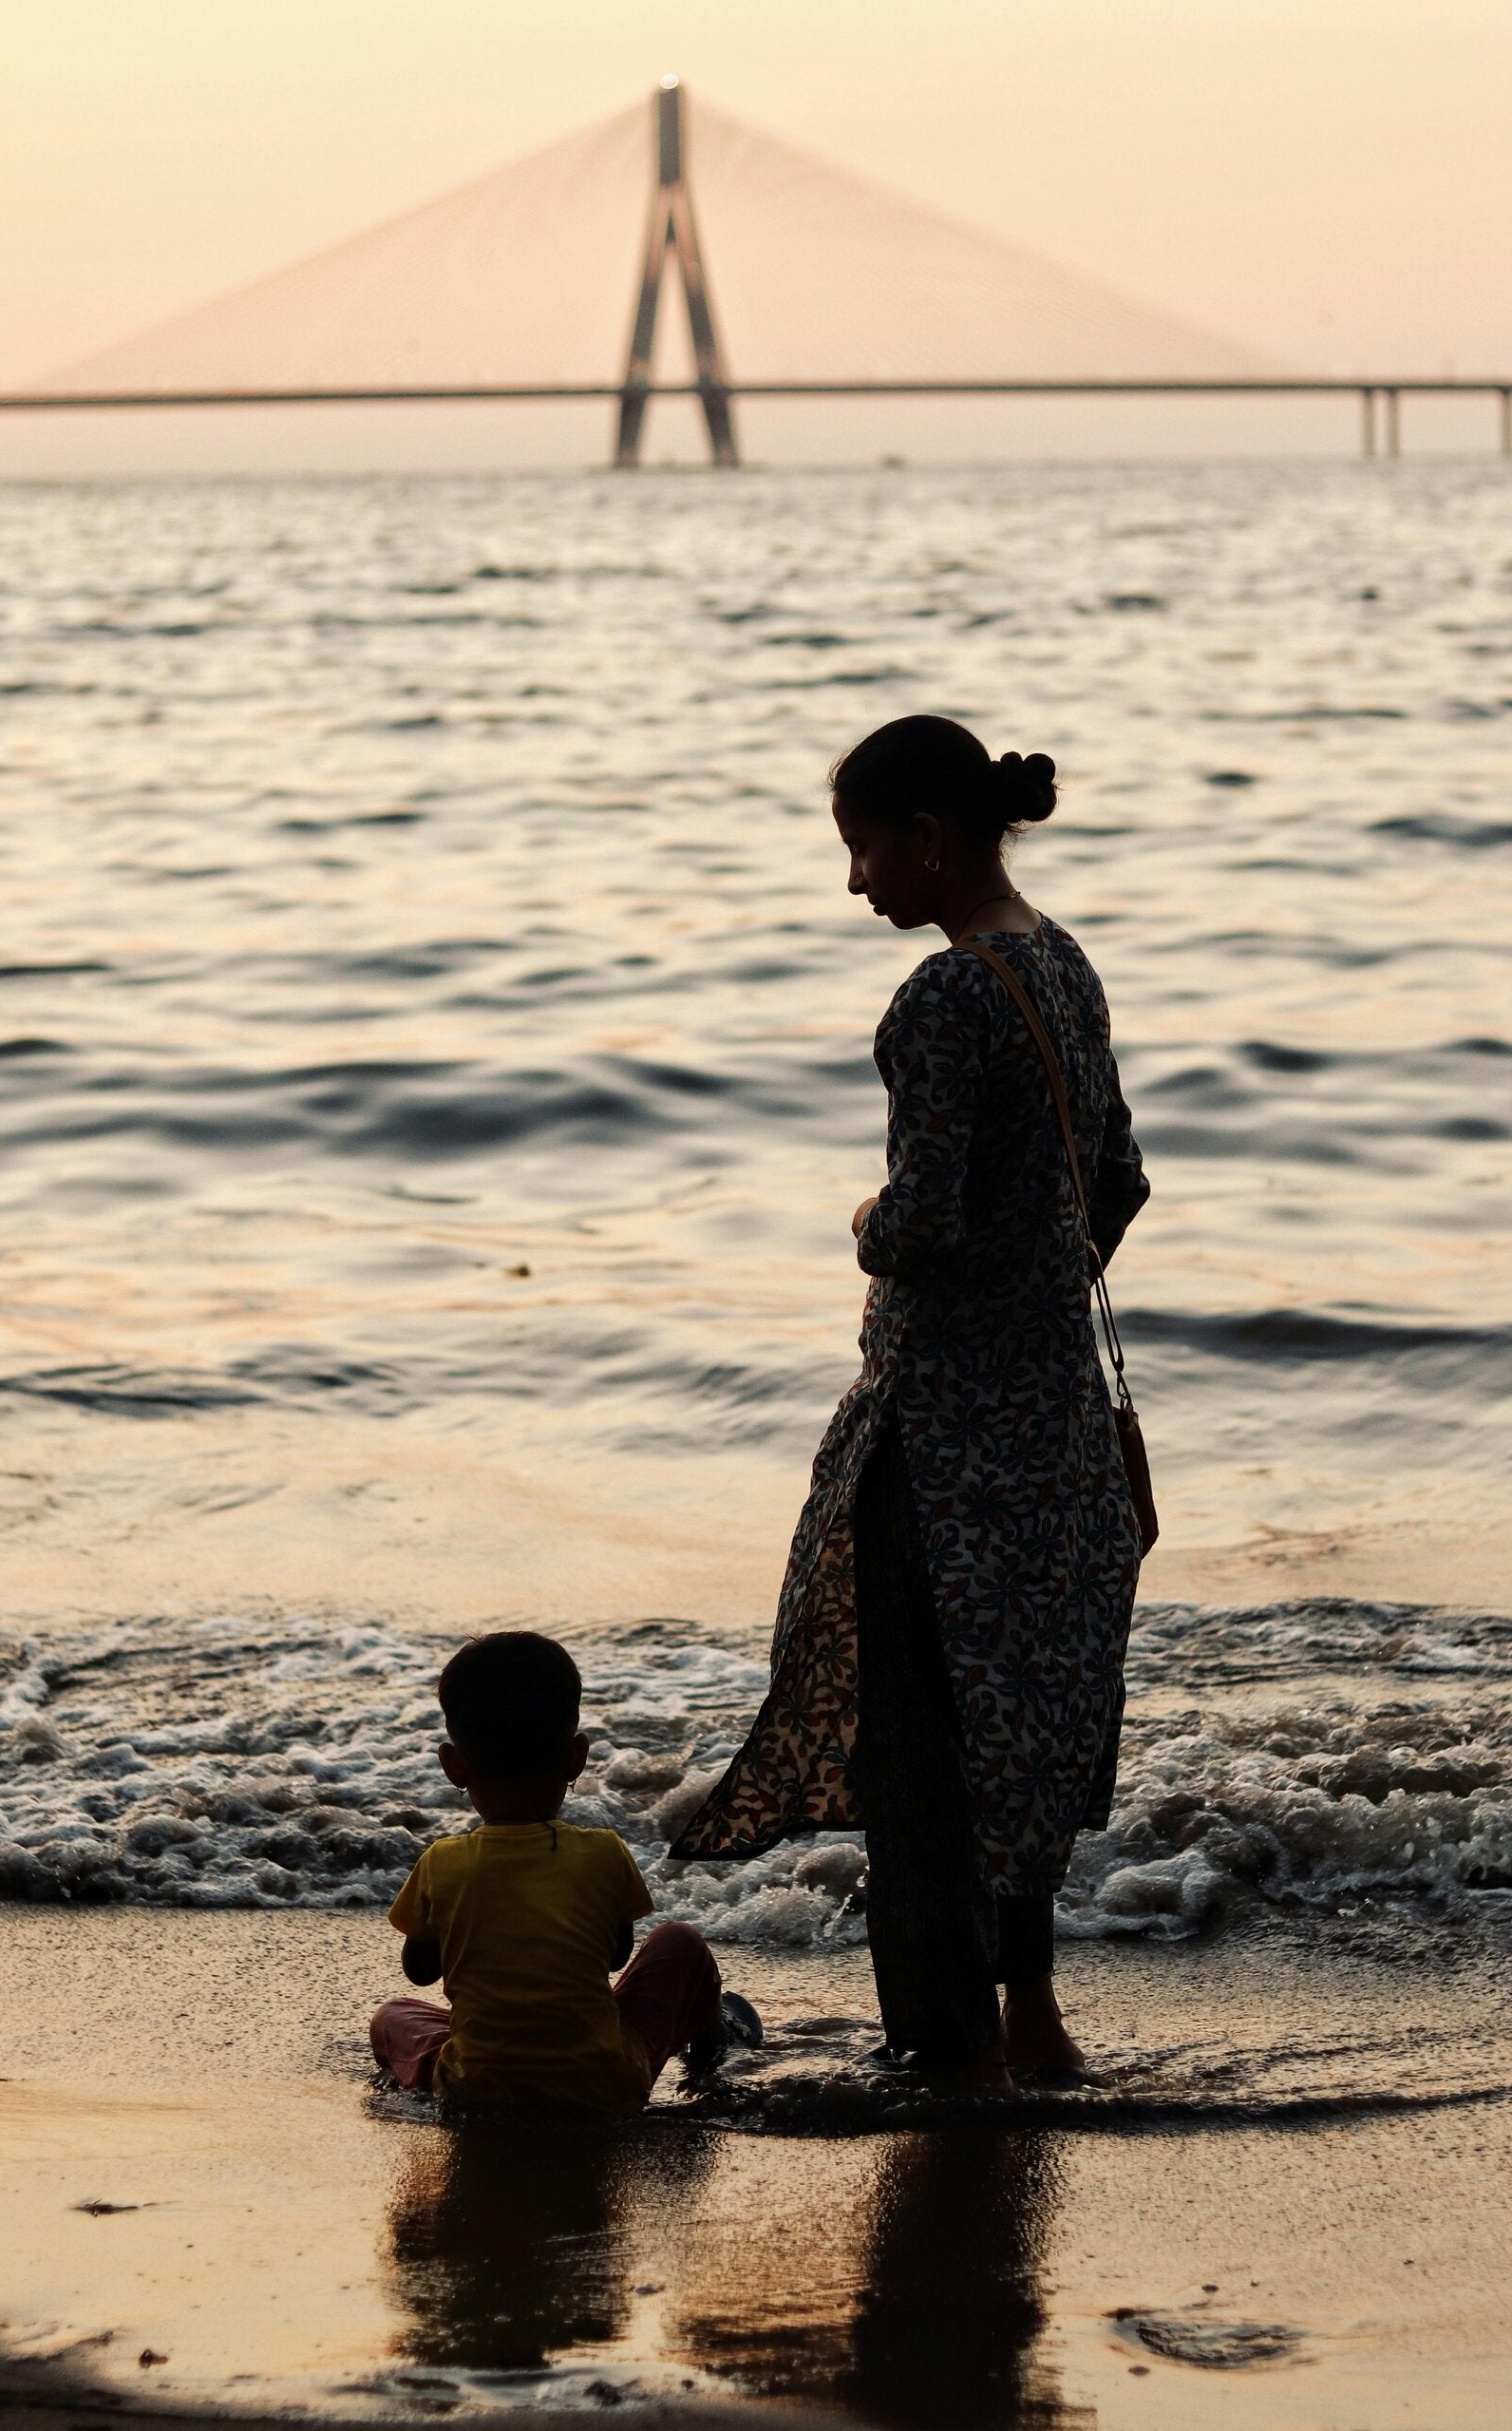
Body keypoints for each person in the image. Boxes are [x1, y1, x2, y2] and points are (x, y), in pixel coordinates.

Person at [673, 714, 1148, 2091]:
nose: (855, 880)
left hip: (939, 1436)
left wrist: (864, 1223)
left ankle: (952, 2051)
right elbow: (1114, 1181)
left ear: (930, 840)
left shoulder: (942, 998)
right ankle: (1033, 2020)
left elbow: (923, 1222)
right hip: (1053, 1417)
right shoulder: (1062, 962)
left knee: (922, 1742)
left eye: (864, 849)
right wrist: (1031, 1291)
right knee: (1015, 1725)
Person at [369, 1630, 759, 2108]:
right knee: (680, 1941)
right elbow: (616, 1956)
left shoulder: (440, 1862)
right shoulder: (604, 1852)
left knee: (394, 2016)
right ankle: (712, 2038)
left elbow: (419, 1971)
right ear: (577, 1758)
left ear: (453, 1765)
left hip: (475, 2087)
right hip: (606, 2085)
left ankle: (479, 2058)